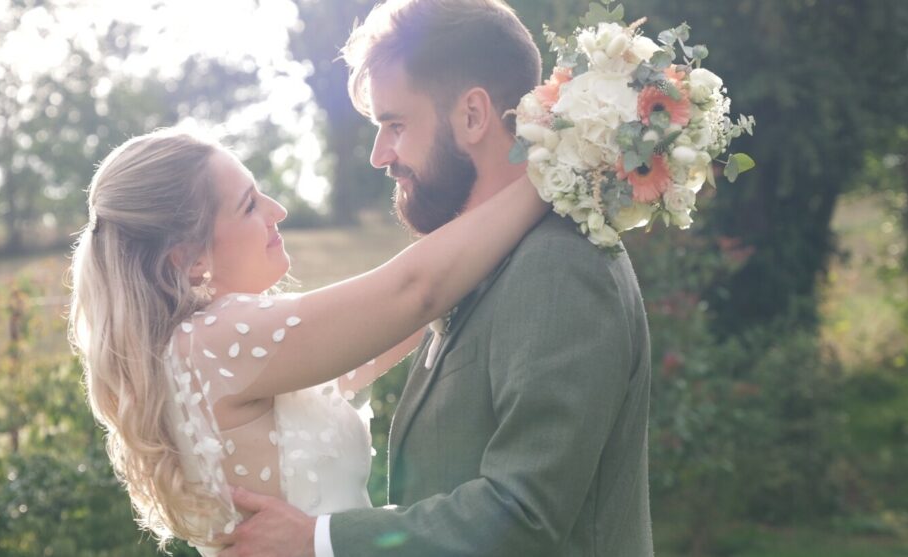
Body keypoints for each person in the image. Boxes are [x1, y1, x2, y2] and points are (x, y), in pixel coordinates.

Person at [218, 1, 654, 556]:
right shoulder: (482, 265)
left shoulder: (557, 265)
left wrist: (319, 541)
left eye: (395, 125)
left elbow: (525, 513)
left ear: (473, 115)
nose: (380, 154)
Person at [66, 127, 548, 555]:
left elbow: (406, 320)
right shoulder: (213, 340)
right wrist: (554, 175)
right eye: (249, 205)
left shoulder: (198, 351)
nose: (278, 211)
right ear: (190, 260)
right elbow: (413, 292)